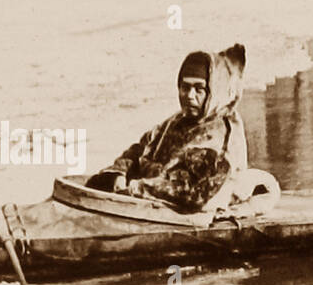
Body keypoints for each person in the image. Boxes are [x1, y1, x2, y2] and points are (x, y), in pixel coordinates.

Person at [89, 44, 251, 214]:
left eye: (199, 89)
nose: (189, 95)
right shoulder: (176, 121)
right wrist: (119, 172)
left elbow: (195, 192)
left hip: (188, 211)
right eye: (185, 87)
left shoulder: (222, 134)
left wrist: (134, 189)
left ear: (213, 92)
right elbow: (140, 149)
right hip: (148, 198)